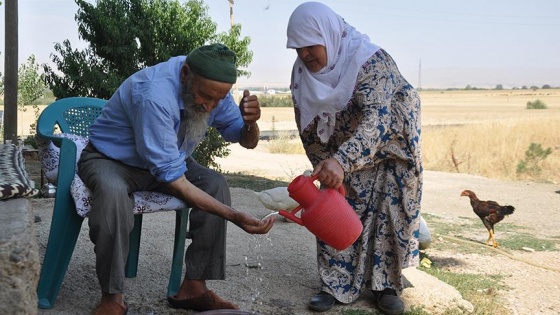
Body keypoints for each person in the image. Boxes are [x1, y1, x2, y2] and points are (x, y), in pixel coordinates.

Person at [77, 43, 275, 315]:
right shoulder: (154, 95)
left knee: (215, 184)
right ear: (185, 74)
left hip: (167, 161)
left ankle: (193, 288)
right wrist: (234, 215)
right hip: (111, 160)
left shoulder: (214, 90)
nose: (210, 106)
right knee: (112, 196)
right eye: (205, 96)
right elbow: (176, 182)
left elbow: (245, 140)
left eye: (219, 99)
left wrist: (251, 123)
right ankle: (112, 297)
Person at [286, 2, 422, 315]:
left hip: (392, 143)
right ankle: (334, 283)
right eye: (298, 48)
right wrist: (325, 165)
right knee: (335, 206)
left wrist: (342, 160)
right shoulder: (301, 75)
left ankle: (385, 285)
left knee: (389, 208)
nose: (305, 55)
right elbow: (306, 124)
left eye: (311, 46)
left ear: (328, 36)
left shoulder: (370, 60)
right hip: (345, 145)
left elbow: (379, 119)